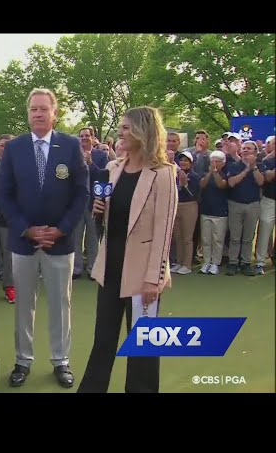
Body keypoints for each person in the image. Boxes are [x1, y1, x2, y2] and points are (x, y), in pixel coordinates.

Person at [77, 106, 178, 393]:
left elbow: (164, 231)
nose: (119, 133)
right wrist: (99, 211)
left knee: (143, 348)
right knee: (103, 341)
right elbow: (113, 219)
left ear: (141, 132)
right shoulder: (114, 168)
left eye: (124, 128)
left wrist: (153, 279)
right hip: (110, 269)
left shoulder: (163, 174)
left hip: (143, 275)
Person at [0, 88, 89, 388]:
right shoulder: (14, 149)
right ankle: (23, 360)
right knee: (24, 303)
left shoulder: (71, 146)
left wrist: (61, 229)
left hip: (60, 242)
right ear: (28, 114)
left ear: (54, 113)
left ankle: (60, 360)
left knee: (60, 304)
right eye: (33, 109)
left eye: (43, 109)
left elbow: (81, 194)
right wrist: (26, 228)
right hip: (23, 241)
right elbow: (3, 196)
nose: (37, 113)